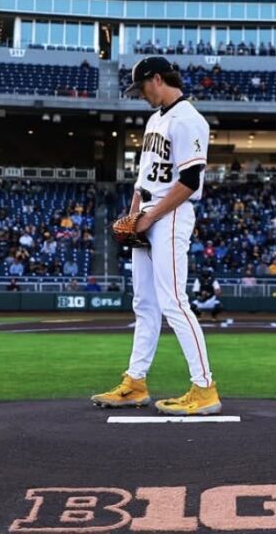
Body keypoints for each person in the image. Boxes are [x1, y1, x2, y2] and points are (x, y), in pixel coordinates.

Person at [91, 56, 220, 416]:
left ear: (158, 79)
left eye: (142, 87)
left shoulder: (189, 119)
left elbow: (191, 181)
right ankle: (135, 383)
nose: (140, 94)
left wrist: (150, 219)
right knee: (144, 305)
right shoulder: (154, 119)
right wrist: (134, 216)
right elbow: (143, 178)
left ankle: (205, 387)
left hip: (172, 213)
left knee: (174, 302)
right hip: (148, 212)